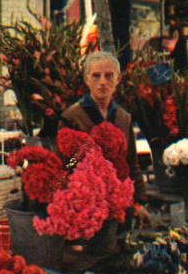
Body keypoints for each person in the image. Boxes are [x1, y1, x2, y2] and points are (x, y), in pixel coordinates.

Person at [59, 51, 148, 219]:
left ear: (118, 79)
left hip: (119, 203)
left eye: (108, 76)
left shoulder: (123, 117)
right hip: (85, 203)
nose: (102, 82)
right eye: (96, 76)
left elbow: (132, 163)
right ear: (86, 79)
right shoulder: (72, 117)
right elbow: (67, 165)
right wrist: (86, 150)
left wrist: (139, 202)